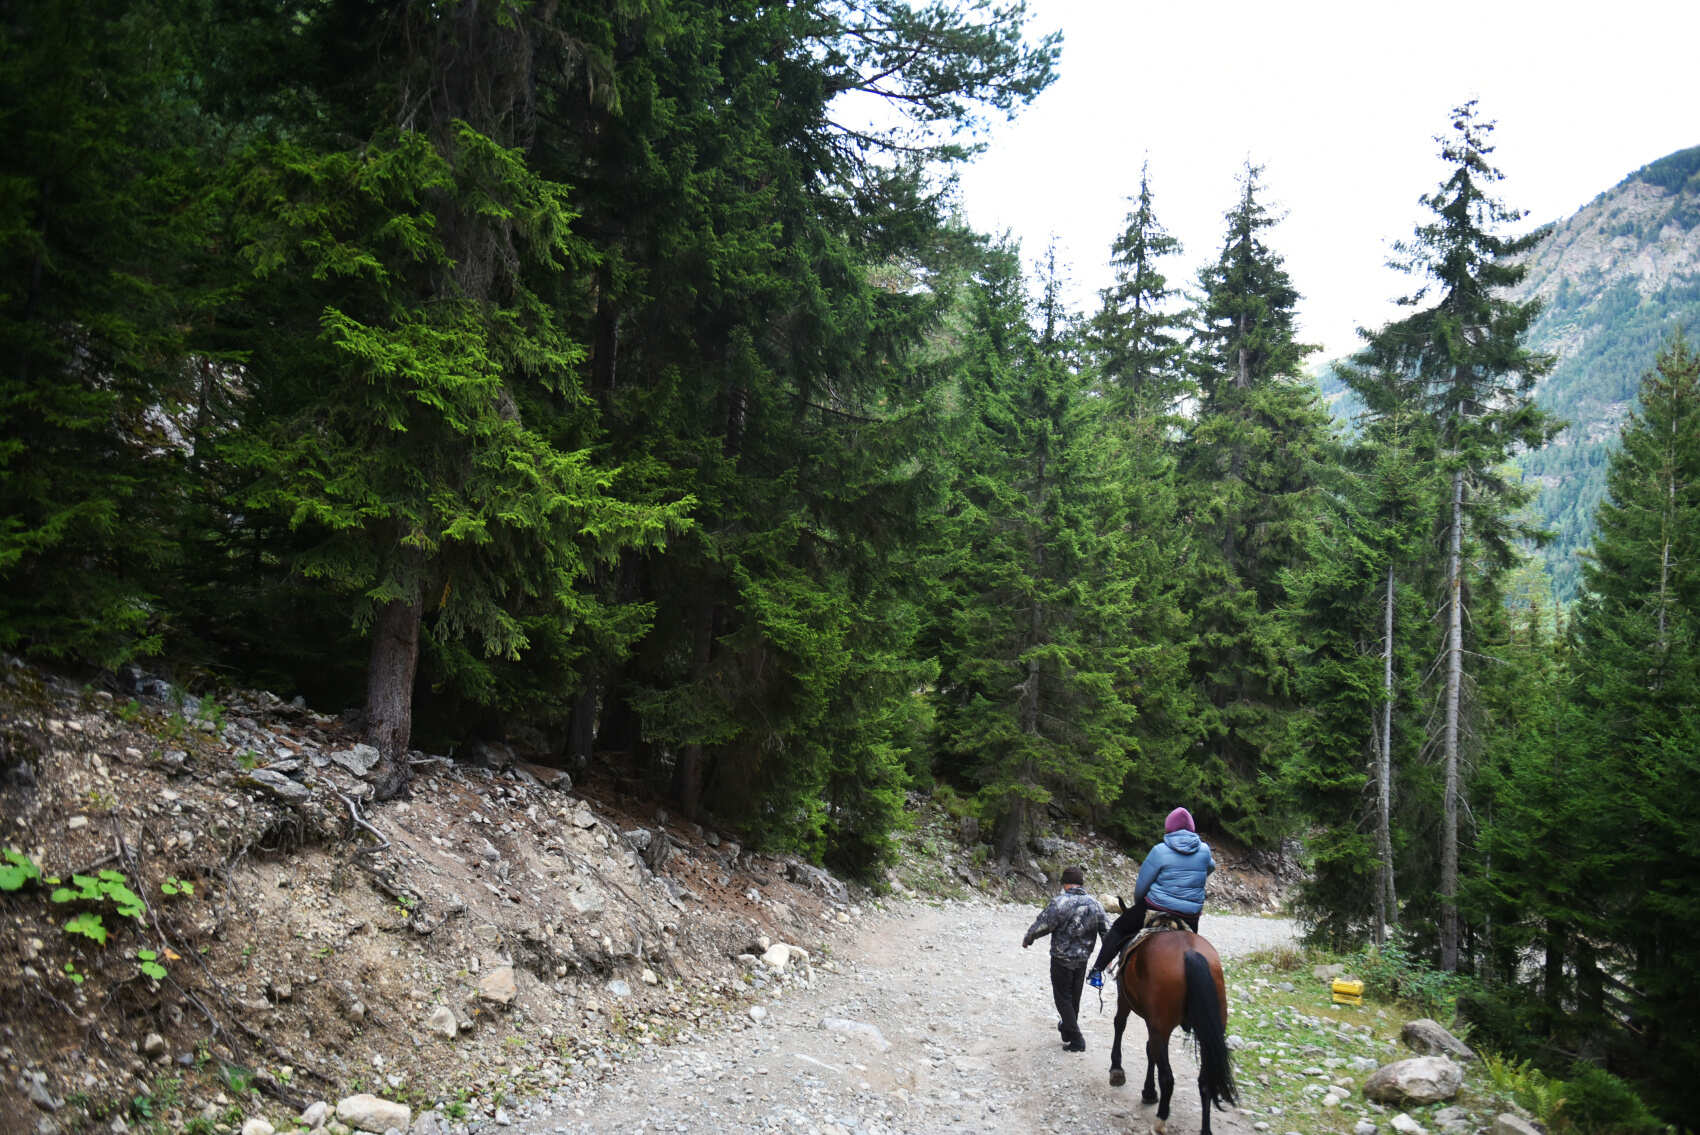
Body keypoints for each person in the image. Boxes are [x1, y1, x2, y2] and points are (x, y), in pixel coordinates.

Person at [1090, 806, 1214, 980]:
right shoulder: (1204, 850)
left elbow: (1142, 884)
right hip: (1189, 916)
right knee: (1194, 947)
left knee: (1119, 928)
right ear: (1192, 828)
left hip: (1156, 907)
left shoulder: (1159, 851)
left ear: (1169, 827)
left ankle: (1097, 970)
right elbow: (1211, 867)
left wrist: (1139, 902)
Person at [1021, 865, 1110, 1052]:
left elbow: (1044, 924)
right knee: (1074, 998)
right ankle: (1068, 1031)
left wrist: (1029, 938)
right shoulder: (1095, 904)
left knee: (1062, 998)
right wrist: (1109, 954)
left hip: (1061, 959)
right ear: (1081, 884)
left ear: (1065, 884)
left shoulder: (1060, 902)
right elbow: (1107, 931)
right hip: (1082, 959)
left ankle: (1077, 1039)